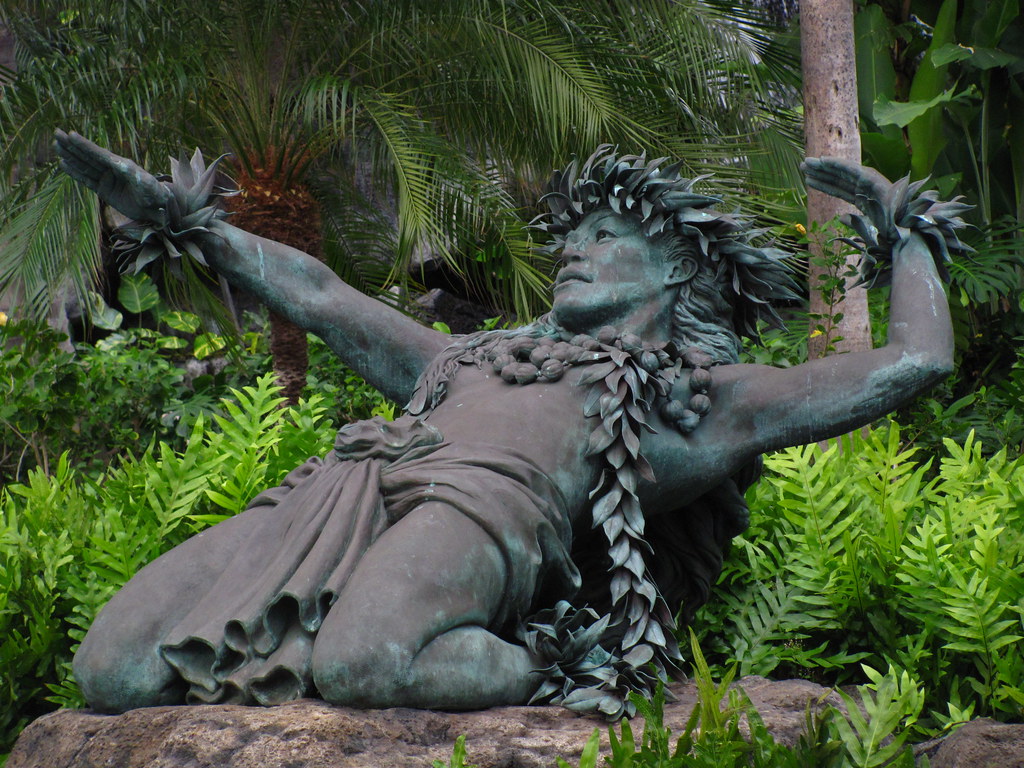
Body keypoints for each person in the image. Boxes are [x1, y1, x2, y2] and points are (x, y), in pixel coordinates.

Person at [55, 134, 966, 718]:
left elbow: (913, 364)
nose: (574, 251)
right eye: (570, 239)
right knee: (112, 671)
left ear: (675, 273)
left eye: (607, 236)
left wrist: (910, 231)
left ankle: (547, 659)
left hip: (483, 514)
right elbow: (317, 292)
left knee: (365, 664)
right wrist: (188, 220)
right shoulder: (465, 353)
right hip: (335, 493)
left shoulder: (696, 398)